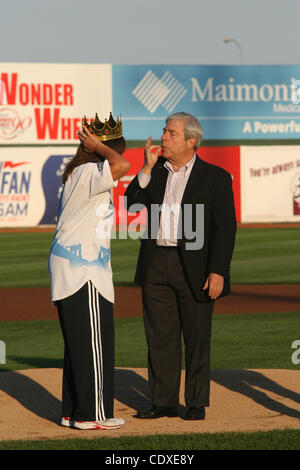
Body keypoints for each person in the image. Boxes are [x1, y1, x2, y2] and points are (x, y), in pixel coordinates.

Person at [125, 112, 236, 420]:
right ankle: (163, 402)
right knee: (160, 337)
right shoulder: (156, 171)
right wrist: (145, 170)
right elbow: (130, 204)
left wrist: (219, 271)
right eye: (164, 131)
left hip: (197, 269)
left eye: (171, 133)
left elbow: (225, 229)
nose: (163, 136)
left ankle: (196, 402)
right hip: (156, 263)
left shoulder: (215, 177)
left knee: (197, 336)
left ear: (191, 141)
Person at [48, 113, 130, 430]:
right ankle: (92, 415)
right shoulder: (89, 172)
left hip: (72, 267)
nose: (119, 153)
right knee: (95, 343)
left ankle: (73, 412)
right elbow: (120, 166)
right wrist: (99, 146)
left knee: (79, 344)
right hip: (84, 272)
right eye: (116, 147)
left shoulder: (80, 173)